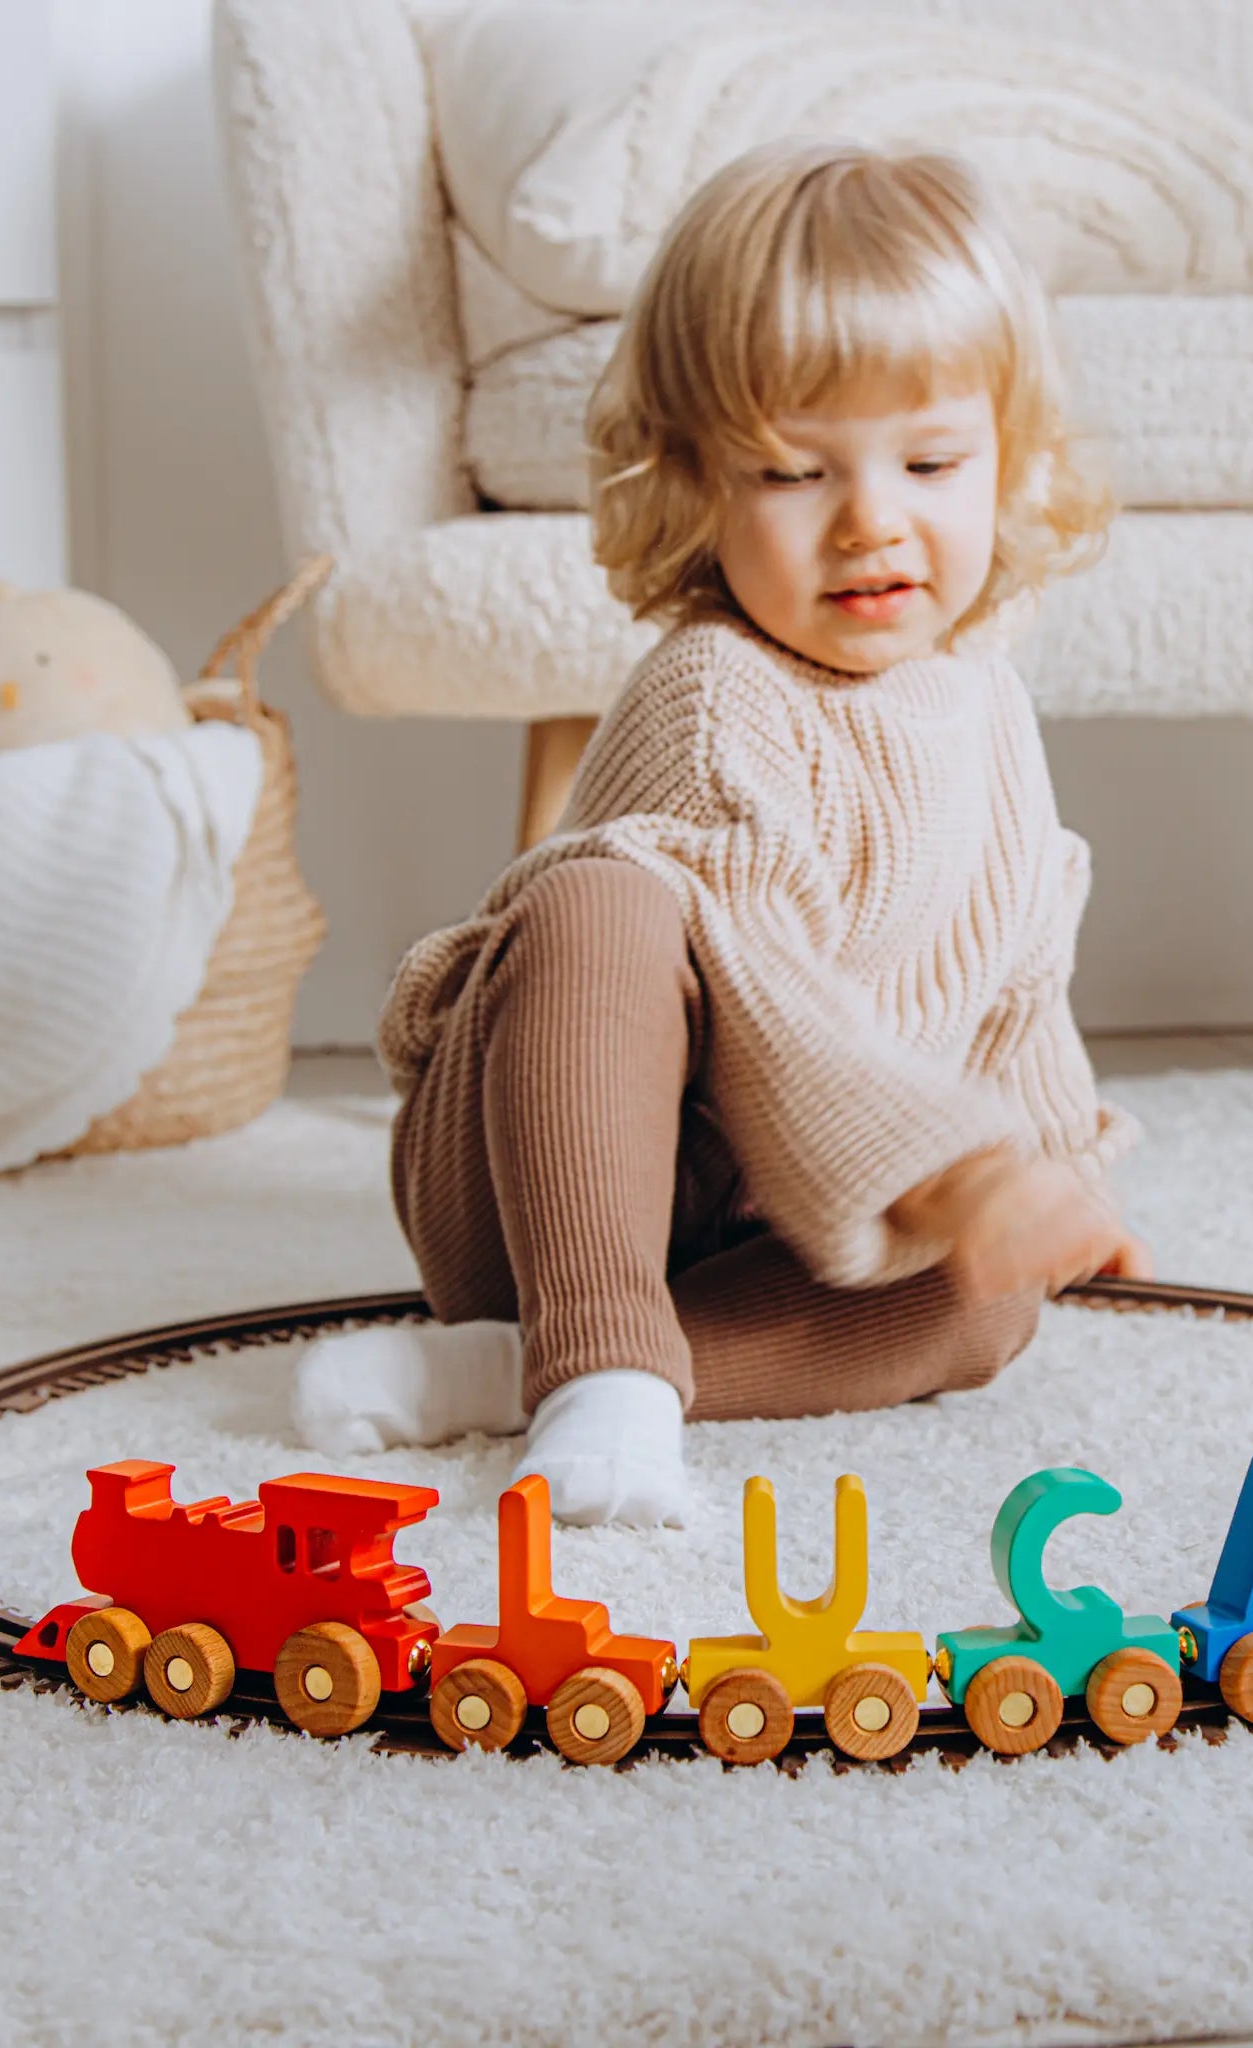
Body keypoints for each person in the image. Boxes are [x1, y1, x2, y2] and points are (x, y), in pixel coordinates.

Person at [292, 138, 1151, 1526]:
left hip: (780, 1216)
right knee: (607, 903)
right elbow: (779, 1003)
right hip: (543, 1181)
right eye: (791, 475)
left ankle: (551, 1374)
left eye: (931, 459)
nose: (874, 522)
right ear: (695, 483)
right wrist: (963, 1171)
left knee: (986, 1314)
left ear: (1008, 459)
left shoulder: (989, 710)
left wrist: (1045, 1179)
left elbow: (1012, 985)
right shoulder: (717, 694)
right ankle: (585, 1339)